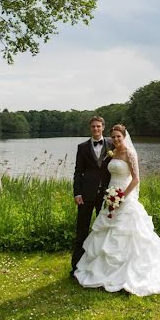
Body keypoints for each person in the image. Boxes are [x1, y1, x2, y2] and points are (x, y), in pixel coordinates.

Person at [73, 124, 160, 296]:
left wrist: (121, 196)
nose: (116, 139)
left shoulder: (130, 153)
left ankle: (131, 270)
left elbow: (136, 179)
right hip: (110, 195)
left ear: (124, 137)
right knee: (105, 230)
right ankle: (101, 269)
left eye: (119, 137)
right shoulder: (112, 152)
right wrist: (110, 196)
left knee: (128, 231)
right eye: (114, 137)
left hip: (124, 195)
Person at [71, 115, 112, 275]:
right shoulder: (82, 147)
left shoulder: (112, 144)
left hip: (107, 196)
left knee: (105, 231)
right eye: (93, 126)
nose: (96, 129)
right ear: (90, 128)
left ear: (103, 127)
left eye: (98, 126)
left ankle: (103, 268)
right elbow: (78, 172)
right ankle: (76, 268)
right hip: (86, 196)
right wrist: (77, 193)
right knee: (81, 231)